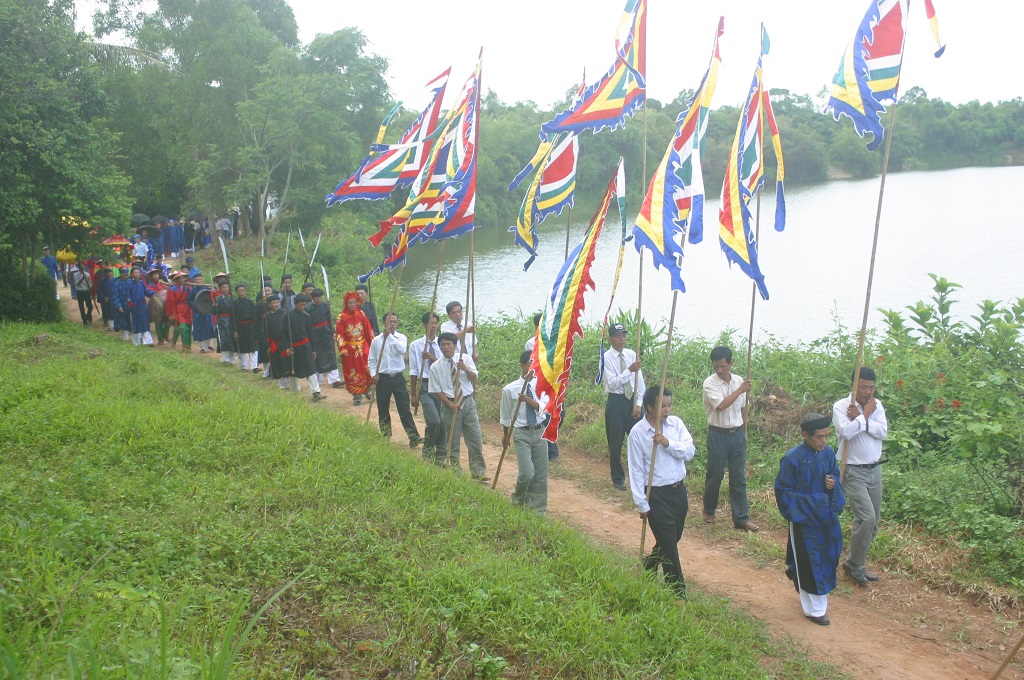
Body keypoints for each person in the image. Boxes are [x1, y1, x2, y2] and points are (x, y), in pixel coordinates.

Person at [774, 413, 846, 626]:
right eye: (819, 437)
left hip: (826, 520)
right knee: (810, 561)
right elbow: (783, 492)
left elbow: (835, 477)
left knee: (828, 557)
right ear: (806, 435)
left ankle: (795, 570)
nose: (824, 441)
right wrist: (814, 502)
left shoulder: (828, 454)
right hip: (804, 521)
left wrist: (834, 484)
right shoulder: (792, 459)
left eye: (826, 436)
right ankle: (814, 610)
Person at [627, 386, 695, 598]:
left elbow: (689, 451)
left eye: (669, 405)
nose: (667, 410)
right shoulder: (638, 433)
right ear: (650, 407)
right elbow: (636, 470)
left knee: (672, 537)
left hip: (678, 491)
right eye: (662, 406)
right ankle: (677, 592)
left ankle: (648, 565)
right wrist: (642, 503)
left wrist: (667, 443)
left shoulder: (676, 424)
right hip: (655, 494)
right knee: (668, 543)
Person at [833, 366, 888, 586]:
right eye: (863, 387)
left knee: (872, 523)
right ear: (853, 386)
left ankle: (856, 562)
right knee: (867, 517)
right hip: (853, 470)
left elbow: (883, 432)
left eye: (871, 388)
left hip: (875, 470)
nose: (867, 392)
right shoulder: (841, 406)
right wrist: (864, 416)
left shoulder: (878, 406)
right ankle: (853, 565)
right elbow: (846, 433)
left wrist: (863, 421)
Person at [702, 346, 758, 532]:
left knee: (738, 476)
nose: (719, 370)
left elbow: (743, 408)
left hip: (736, 435)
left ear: (730, 364)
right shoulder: (710, 383)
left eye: (723, 366)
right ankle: (709, 510)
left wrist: (744, 431)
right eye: (716, 366)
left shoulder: (739, 381)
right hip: (717, 434)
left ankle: (741, 518)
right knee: (715, 474)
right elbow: (722, 406)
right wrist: (741, 390)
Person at [429, 332, 486, 479]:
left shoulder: (465, 358)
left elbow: (474, 379)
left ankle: (478, 471)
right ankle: (456, 471)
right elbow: (436, 389)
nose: (446, 347)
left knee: (475, 438)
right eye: (443, 344)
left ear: (455, 345)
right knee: (453, 440)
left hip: (467, 402)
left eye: (449, 344)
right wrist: (449, 404)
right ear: (439, 347)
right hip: (450, 404)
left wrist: (466, 369)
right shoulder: (436, 366)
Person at [499, 350, 550, 513]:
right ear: (522, 365)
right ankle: (518, 498)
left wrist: (528, 400)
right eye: (530, 363)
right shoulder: (510, 389)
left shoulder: (543, 386)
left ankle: (538, 509)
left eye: (535, 364)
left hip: (540, 431)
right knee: (527, 473)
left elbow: (545, 408)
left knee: (541, 474)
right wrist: (506, 434)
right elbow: (506, 415)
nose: (532, 367)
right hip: (521, 433)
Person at [601, 323, 645, 491]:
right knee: (615, 441)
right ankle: (618, 477)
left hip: (632, 400)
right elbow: (612, 384)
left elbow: (639, 382)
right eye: (618, 336)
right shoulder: (606, 358)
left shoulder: (631, 354)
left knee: (639, 439)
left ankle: (640, 476)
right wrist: (629, 370)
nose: (622, 340)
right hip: (616, 401)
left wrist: (639, 404)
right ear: (611, 338)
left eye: (624, 336)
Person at [367, 312, 421, 446]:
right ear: (384, 322)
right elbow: (372, 360)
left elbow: (402, 350)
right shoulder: (376, 340)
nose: (392, 324)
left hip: (398, 378)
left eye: (395, 322)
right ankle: (386, 435)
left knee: (404, 408)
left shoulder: (400, 338)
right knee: (383, 407)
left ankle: (413, 436)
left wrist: (389, 337)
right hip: (382, 379)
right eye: (390, 321)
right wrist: (373, 374)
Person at [524, 312, 560, 463]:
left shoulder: (555, 341)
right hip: (538, 383)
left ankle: (548, 446)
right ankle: (551, 451)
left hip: (552, 382)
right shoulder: (531, 343)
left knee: (557, 414)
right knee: (544, 412)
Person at [410, 312, 445, 463]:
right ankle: (427, 450)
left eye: (436, 323)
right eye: (431, 323)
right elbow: (413, 371)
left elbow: (447, 365)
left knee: (442, 421)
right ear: (425, 325)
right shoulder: (416, 345)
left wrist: (432, 358)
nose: (434, 326)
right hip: (425, 385)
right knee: (434, 421)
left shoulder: (443, 344)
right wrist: (413, 394)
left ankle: (441, 455)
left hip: (441, 384)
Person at [279, 293, 323, 401]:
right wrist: (286, 348)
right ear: (295, 304)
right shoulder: (287, 316)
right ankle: (294, 393)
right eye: (300, 305)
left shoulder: (306, 316)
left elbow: (310, 333)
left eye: (304, 305)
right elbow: (283, 334)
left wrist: (313, 349)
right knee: (293, 370)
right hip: (292, 347)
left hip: (305, 346)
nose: (302, 307)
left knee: (311, 369)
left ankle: (316, 392)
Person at [336, 291, 374, 405]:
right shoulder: (341, 317)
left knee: (368, 369)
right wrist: (343, 349)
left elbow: (368, 330)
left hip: (363, 346)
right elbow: (340, 335)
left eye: (354, 302)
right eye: (350, 303)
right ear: (346, 304)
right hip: (350, 349)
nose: (352, 305)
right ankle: (356, 396)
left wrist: (373, 343)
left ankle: (368, 391)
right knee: (353, 372)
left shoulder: (361, 314)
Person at [307, 289, 341, 387]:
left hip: (325, 332)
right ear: (312, 298)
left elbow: (329, 319)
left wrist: (332, 331)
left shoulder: (326, 306)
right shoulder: (308, 308)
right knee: (317, 355)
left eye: (320, 298)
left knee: (330, 353)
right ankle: (318, 380)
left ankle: (335, 380)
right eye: (317, 298)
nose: (319, 300)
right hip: (314, 333)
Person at [231, 284, 259, 372]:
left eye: (243, 290)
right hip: (240, 327)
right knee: (242, 346)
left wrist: (255, 327)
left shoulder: (250, 302)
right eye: (239, 291)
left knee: (253, 346)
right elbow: (232, 318)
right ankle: (244, 366)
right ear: (237, 292)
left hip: (250, 326)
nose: (242, 292)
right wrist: (234, 330)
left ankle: (254, 366)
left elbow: (254, 315)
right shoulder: (234, 304)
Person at [123, 267, 153, 346]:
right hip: (133, 307)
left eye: (138, 272)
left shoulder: (141, 283)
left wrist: (154, 293)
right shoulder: (128, 283)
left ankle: (148, 342)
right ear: (132, 274)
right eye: (135, 272)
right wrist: (130, 305)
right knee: (135, 323)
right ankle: (137, 342)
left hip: (142, 306)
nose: (137, 274)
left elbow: (146, 291)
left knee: (145, 323)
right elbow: (127, 296)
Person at [188, 274, 216, 352]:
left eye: (200, 279)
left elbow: (212, 298)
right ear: (194, 281)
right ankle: (202, 348)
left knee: (209, 327)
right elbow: (189, 301)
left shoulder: (206, 288)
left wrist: (213, 291)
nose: (199, 281)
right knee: (200, 329)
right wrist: (196, 305)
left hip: (207, 312)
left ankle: (210, 345)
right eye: (197, 280)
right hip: (198, 313)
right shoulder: (192, 291)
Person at [166, 271, 192, 351]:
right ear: (177, 279)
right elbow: (170, 302)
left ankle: (188, 346)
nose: (182, 279)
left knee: (188, 327)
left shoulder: (187, 288)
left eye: (183, 278)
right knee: (183, 327)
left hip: (188, 309)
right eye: (180, 278)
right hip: (178, 309)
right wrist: (172, 314)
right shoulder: (172, 289)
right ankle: (184, 346)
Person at [212, 279, 236, 366]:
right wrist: (214, 307)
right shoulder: (217, 299)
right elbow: (214, 312)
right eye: (223, 287)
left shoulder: (233, 299)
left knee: (232, 339)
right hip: (222, 320)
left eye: (226, 287)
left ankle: (231, 359)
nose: (225, 289)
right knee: (224, 339)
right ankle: (225, 358)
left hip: (231, 320)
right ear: (220, 289)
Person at [146, 267, 170, 344]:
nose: (156, 276)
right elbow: (150, 294)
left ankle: (166, 336)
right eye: (154, 275)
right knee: (158, 321)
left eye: (157, 274)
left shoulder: (163, 283)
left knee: (167, 320)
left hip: (165, 304)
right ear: (151, 276)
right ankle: (160, 339)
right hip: (156, 306)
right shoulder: (149, 285)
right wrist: (158, 292)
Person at [112, 266, 131, 340]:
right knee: (123, 321)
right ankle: (125, 337)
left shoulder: (130, 282)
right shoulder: (117, 283)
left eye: (127, 274)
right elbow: (115, 295)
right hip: (121, 305)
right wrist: (118, 305)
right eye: (124, 274)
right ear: (120, 274)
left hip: (130, 305)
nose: (125, 276)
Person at [72, 260, 94, 325]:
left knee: (90, 306)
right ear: (78, 267)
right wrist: (82, 278)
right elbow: (77, 284)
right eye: (80, 265)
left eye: (83, 265)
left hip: (86, 292)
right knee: (81, 307)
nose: (82, 267)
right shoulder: (75, 274)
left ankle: (88, 316)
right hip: (80, 292)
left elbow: (90, 284)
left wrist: (91, 293)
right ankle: (84, 321)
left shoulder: (87, 274)